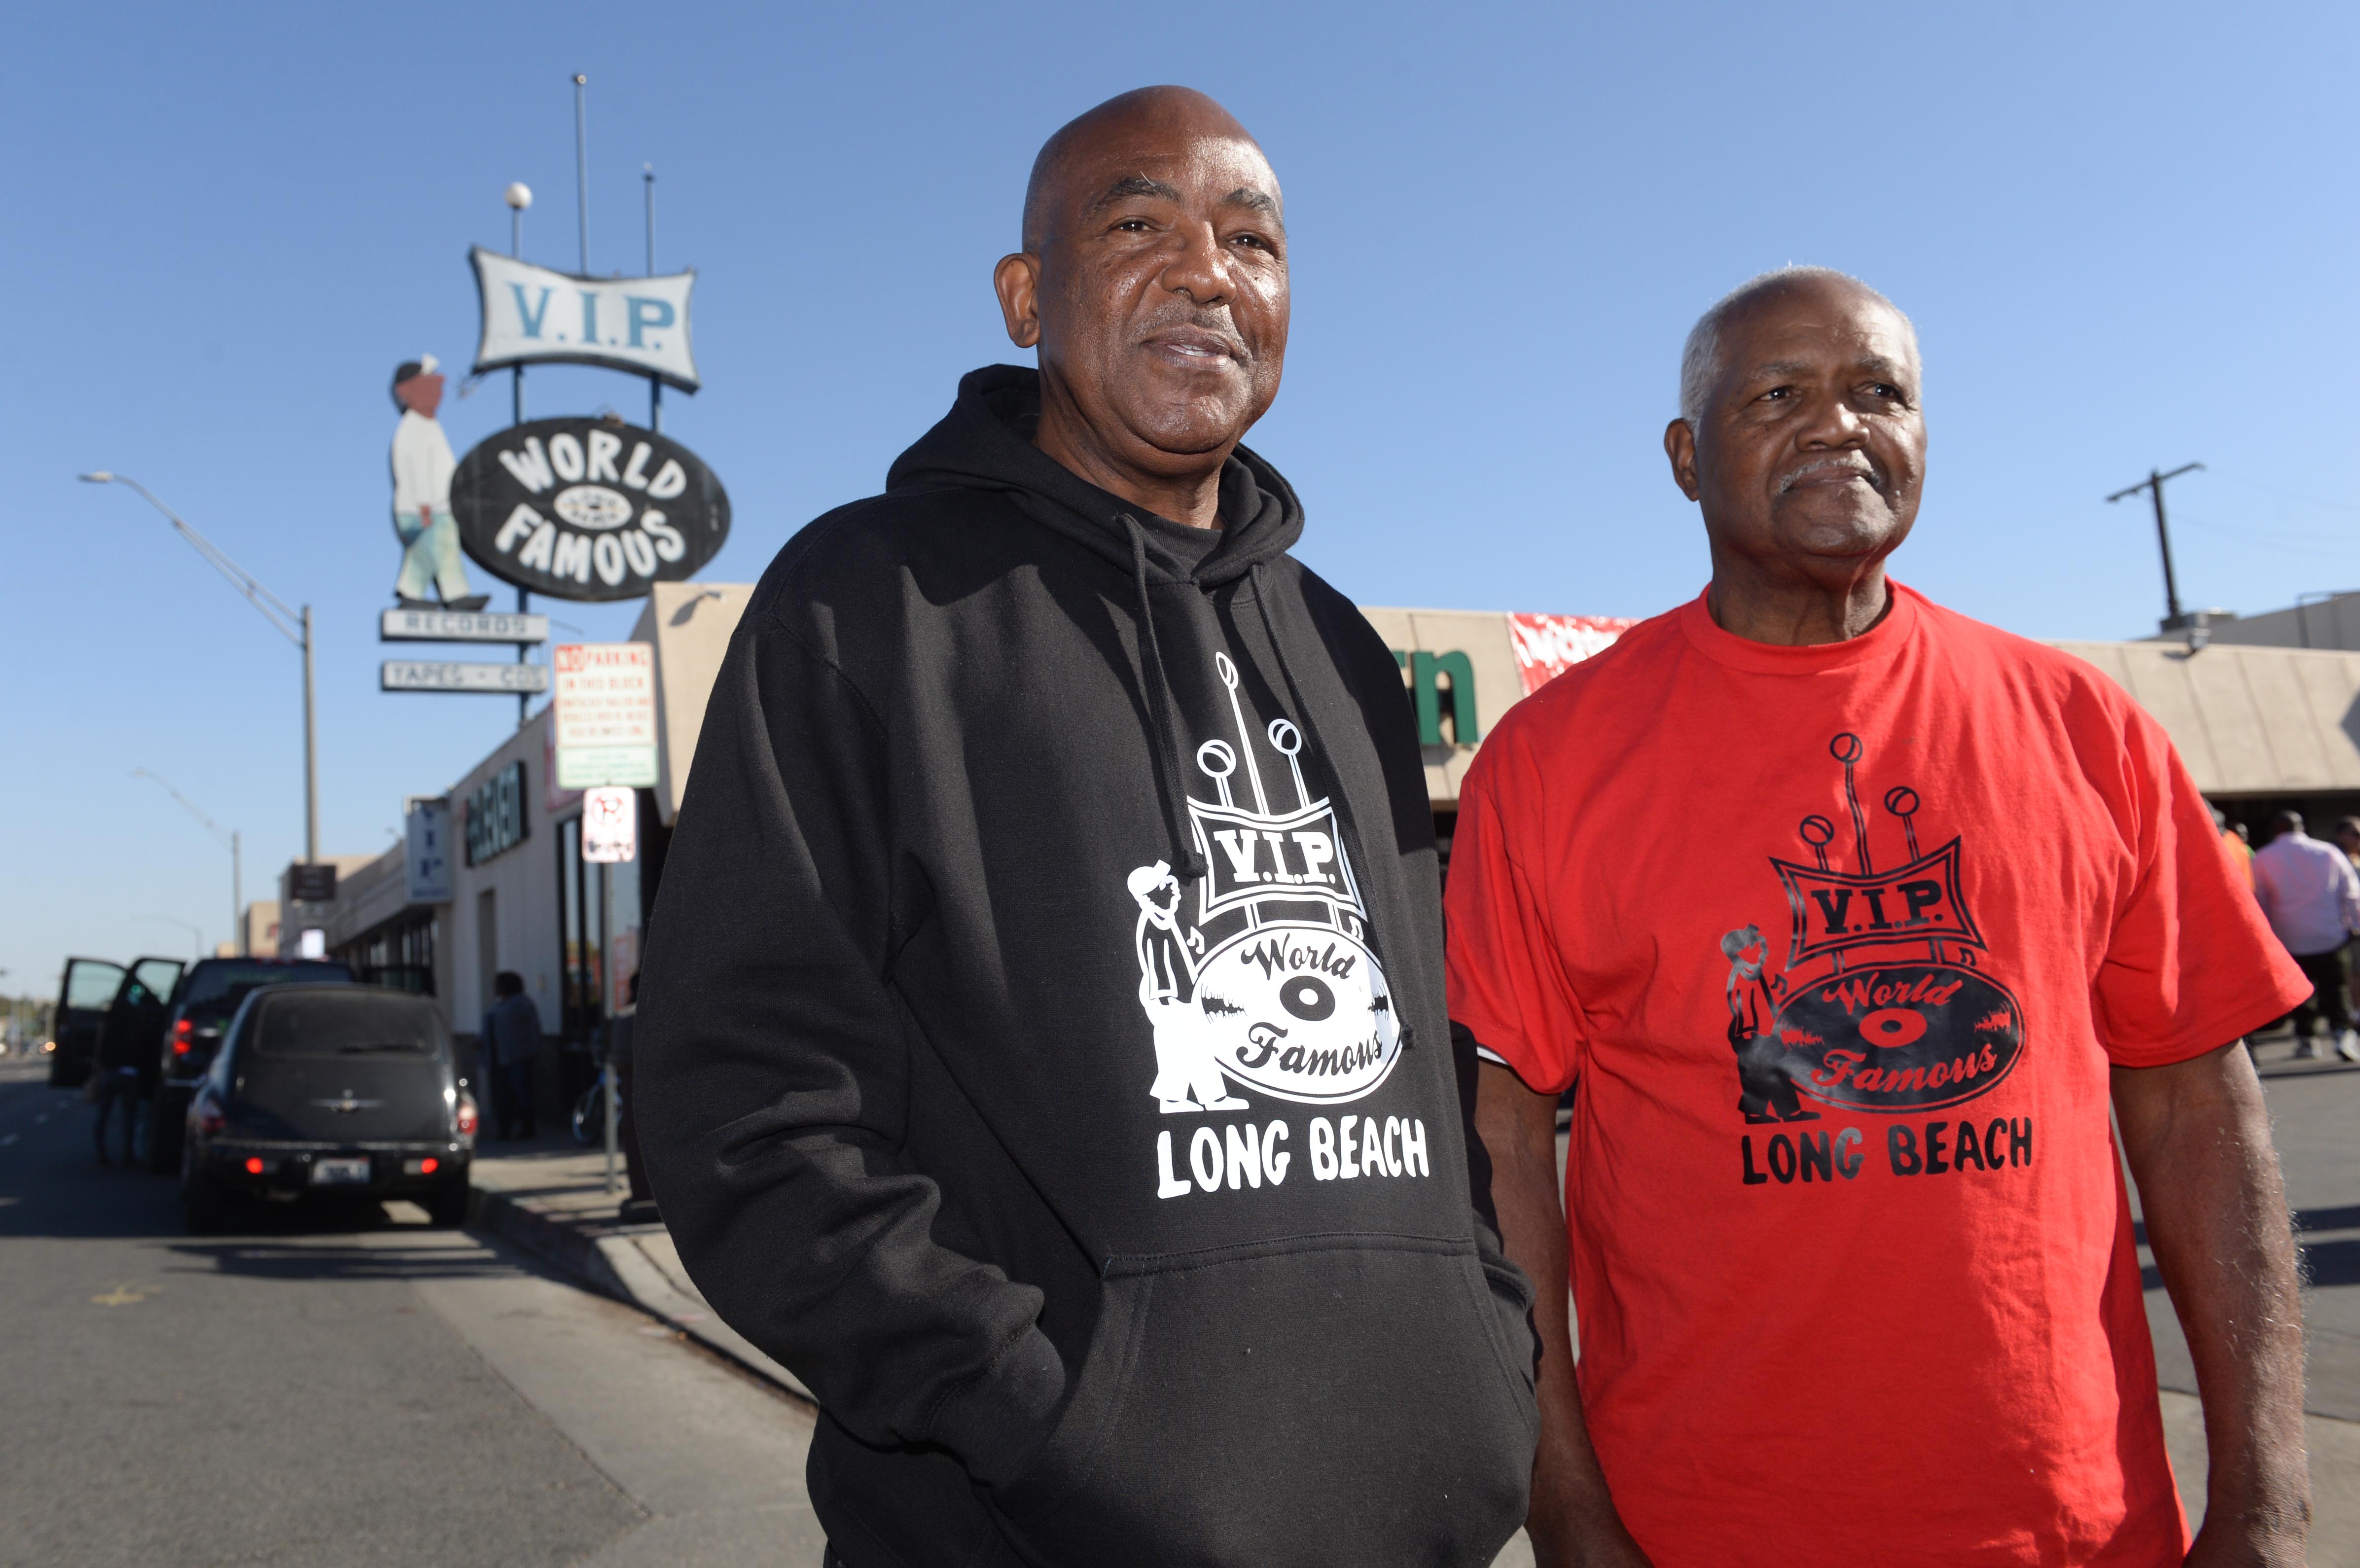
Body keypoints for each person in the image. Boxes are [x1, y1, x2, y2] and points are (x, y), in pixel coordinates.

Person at [637, 86, 1536, 1568]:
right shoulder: (866, 607)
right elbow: (743, 1111)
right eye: (1137, 227)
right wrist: (1044, 1420)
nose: (1206, 274)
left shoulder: (1340, 653)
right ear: (1024, 296)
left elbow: (1421, 1069)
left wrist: (1482, 1357)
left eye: (1251, 240)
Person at [1449, 267, 2315, 1566]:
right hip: (1701, 1528)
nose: (1837, 425)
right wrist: (1566, 1512)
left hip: (2077, 1527)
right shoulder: (1548, 762)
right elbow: (1500, 1144)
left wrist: (2265, 1497)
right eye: (1776, 395)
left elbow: (2198, 1105)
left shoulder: (2085, 727)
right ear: (1685, 457)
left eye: (1878, 392)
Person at [2252, 808, 2360, 1061]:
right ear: (2302, 828)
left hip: (2289, 938)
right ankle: (2342, 1033)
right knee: (2337, 987)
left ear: (2276, 830)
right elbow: (2351, 892)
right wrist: (2355, 924)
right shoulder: (2328, 852)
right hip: (2330, 934)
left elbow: (2260, 901)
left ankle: (2307, 1038)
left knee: (2299, 990)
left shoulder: (2264, 857)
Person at [388, 356, 487, 611]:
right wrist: (423, 506)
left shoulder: (428, 425)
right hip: (423, 508)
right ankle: (424, 595)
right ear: (408, 391)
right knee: (427, 551)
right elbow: (413, 471)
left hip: (439, 507)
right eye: (430, 384)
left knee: (441, 551)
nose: (437, 390)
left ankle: (449, 595)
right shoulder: (412, 428)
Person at [605, 974, 655, 1218]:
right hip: (655, 1087)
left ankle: (641, 1191)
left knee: (634, 1136)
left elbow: (613, 1055)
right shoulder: (660, 1016)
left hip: (630, 1082)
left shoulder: (624, 1017)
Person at [480, 971, 542, 1140]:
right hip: (498, 1059)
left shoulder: (521, 1005)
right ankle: (504, 1128)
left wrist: (532, 1051)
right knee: (502, 1095)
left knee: (520, 1093)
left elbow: (533, 1030)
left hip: (517, 1057)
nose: (495, 988)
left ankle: (527, 1127)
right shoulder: (500, 1006)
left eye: (498, 984)